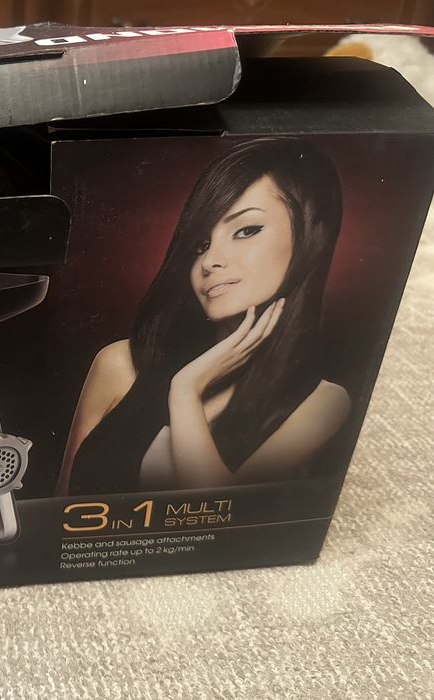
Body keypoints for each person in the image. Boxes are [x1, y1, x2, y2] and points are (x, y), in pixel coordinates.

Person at [56, 138, 351, 496]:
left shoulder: (321, 402)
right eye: (201, 244)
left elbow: (220, 514)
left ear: (310, 238)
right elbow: (61, 506)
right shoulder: (118, 364)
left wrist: (186, 391)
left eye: (246, 230)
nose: (210, 261)